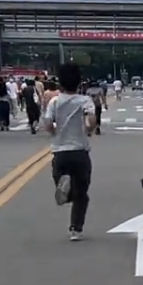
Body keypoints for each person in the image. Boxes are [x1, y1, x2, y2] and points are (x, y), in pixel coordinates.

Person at [42, 63, 98, 241]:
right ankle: (76, 229)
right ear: (79, 81)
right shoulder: (84, 100)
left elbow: (48, 124)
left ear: (60, 82)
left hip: (60, 152)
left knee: (65, 190)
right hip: (80, 152)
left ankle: (65, 186)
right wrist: (88, 129)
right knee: (82, 194)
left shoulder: (55, 101)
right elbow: (92, 120)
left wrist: (55, 132)